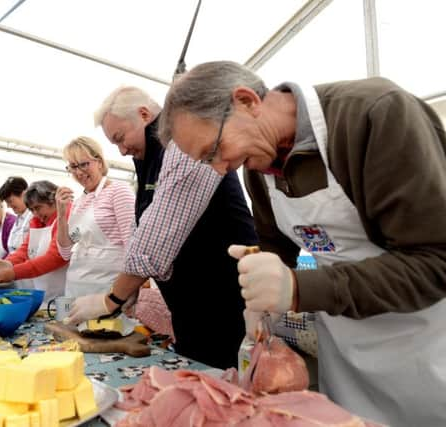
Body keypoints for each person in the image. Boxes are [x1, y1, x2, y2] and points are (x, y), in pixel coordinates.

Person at [157, 60, 446, 427]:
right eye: (205, 161)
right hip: (346, 351)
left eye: (213, 150)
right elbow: (275, 246)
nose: (219, 169)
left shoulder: (372, 114)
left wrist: (297, 287)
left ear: (246, 101)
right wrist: (261, 292)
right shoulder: (258, 171)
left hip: (426, 345)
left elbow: (436, 260)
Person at [66, 86, 258, 369]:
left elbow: (156, 236)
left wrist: (112, 298)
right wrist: (130, 286)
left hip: (221, 296)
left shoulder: (182, 143)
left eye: (120, 138)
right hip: (191, 303)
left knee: (227, 383)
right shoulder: (148, 158)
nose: (121, 150)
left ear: (144, 114)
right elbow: (141, 227)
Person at [55, 136, 135, 297]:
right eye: (73, 167)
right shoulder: (79, 201)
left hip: (106, 290)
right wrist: (61, 215)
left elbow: (132, 246)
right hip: (75, 290)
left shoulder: (119, 191)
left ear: (99, 161)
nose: (78, 172)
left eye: (84, 164)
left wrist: (124, 295)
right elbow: (66, 253)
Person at [0, 181, 68, 302]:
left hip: (62, 292)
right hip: (43, 290)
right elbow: (25, 249)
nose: (35, 213)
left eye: (38, 208)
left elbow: (56, 257)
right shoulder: (37, 220)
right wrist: (7, 263)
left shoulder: (65, 217)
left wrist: (13, 272)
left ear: (53, 201)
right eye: (32, 210)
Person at [0, 176, 34, 289]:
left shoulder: (33, 217)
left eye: (10, 201)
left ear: (24, 194)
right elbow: (13, 250)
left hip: (30, 280)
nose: (8, 206)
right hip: (17, 278)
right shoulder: (18, 219)